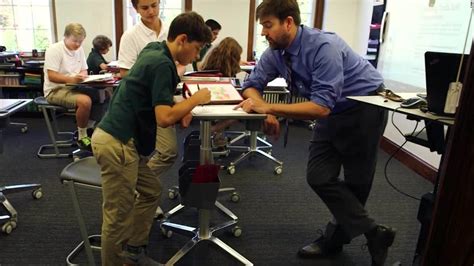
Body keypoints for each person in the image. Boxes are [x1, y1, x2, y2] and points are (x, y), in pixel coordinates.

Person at [237, 0, 395, 265]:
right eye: (262, 26)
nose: (263, 32)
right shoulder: (275, 51)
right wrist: (267, 111)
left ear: (288, 22)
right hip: (330, 112)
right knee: (319, 176)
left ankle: (333, 242)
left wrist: (267, 105)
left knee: (357, 184)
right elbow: (251, 85)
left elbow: (321, 107)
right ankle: (374, 233)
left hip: (363, 109)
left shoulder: (324, 47)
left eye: (267, 25)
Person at [91, 11, 212, 265]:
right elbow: (164, 118)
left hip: (122, 140)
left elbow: (157, 99)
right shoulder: (162, 64)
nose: (197, 56)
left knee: (150, 191)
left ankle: (133, 250)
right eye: (197, 48)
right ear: (182, 39)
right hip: (117, 143)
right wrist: (195, 100)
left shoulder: (154, 50)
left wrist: (184, 106)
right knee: (118, 215)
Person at [117, 0, 175, 218]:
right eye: (144, 8)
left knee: (168, 152)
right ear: (135, 9)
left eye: (154, 5)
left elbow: (183, 65)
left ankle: (140, 190)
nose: (151, 11)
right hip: (141, 104)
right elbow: (124, 72)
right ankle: (144, 195)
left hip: (165, 100)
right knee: (141, 153)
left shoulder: (171, 30)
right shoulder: (131, 36)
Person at [43, 23, 95, 148]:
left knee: (104, 94)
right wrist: (72, 79)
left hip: (74, 86)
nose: (78, 44)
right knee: (85, 101)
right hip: (55, 89)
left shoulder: (79, 50)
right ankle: (82, 136)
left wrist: (82, 76)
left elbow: (84, 70)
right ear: (65, 37)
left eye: (80, 42)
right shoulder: (54, 49)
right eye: (75, 41)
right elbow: (52, 76)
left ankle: (91, 128)